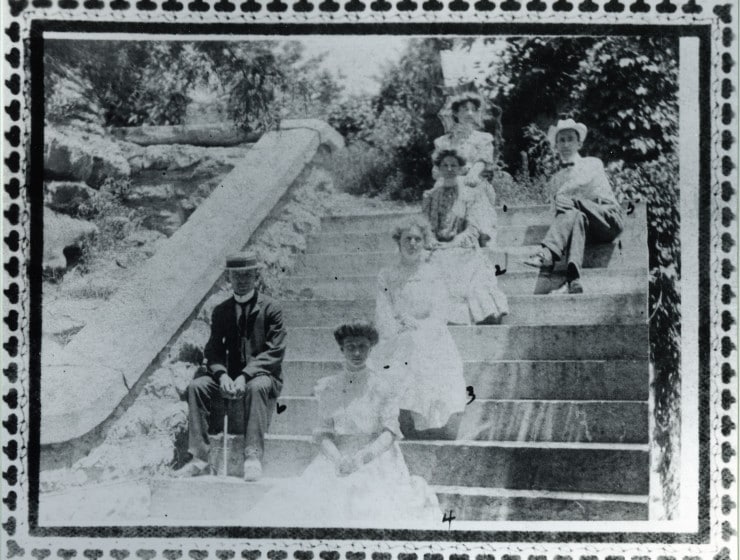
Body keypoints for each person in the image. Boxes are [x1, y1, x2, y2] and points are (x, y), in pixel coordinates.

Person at [242, 321, 441, 528]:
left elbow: (389, 432)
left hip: (376, 457)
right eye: (350, 347)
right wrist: (339, 460)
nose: (356, 353)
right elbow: (323, 433)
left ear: (370, 348)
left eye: (362, 346)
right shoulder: (329, 386)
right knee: (312, 500)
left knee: (369, 500)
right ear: (342, 349)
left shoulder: (384, 385)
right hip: (336, 455)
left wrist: (362, 458)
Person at [174, 251, 286, 481]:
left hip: (263, 376)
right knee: (198, 387)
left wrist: (245, 375)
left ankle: (252, 456)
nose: (242, 281)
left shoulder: (271, 309)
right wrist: (222, 375)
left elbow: (275, 351)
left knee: (256, 387)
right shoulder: (222, 311)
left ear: (256, 276)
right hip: (230, 377)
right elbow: (213, 350)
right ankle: (199, 458)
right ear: (229, 279)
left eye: (247, 275)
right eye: (237, 277)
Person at [374, 217, 467, 439]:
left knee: (421, 347)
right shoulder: (387, 275)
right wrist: (397, 328)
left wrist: (420, 327)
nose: (413, 243)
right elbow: (382, 312)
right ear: (399, 241)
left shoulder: (433, 273)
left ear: (424, 242)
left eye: (418, 239)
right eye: (408, 238)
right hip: (397, 335)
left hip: (431, 334)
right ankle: (403, 420)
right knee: (406, 348)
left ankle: (428, 422)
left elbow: (440, 311)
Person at [523, 119, 624, 294]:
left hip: (608, 219)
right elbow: (558, 213)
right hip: (584, 226)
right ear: (556, 145)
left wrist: (560, 196)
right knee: (576, 215)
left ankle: (546, 254)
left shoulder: (592, 163)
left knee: (573, 204)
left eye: (570, 139)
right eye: (561, 140)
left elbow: (577, 185)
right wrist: (559, 198)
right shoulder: (556, 179)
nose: (566, 144)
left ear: (579, 143)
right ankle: (573, 279)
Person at [423, 149, 509, 325]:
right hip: (440, 247)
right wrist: (431, 240)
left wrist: (454, 242)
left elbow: (472, 228)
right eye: (444, 165)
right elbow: (427, 226)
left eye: (453, 165)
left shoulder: (469, 194)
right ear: (438, 169)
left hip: (462, 247)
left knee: (474, 273)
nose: (449, 169)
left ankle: (481, 313)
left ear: (461, 169)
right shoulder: (431, 196)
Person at [432, 91, 501, 233]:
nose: (470, 113)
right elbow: (436, 171)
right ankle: (452, 229)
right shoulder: (443, 142)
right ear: (456, 113)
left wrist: (472, 173)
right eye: (465, 109)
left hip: (476, 183)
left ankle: (479, 230)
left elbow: (482, 161)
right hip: (449, 184)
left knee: (471, 188)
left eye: (474, 110)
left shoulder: (484, 138)